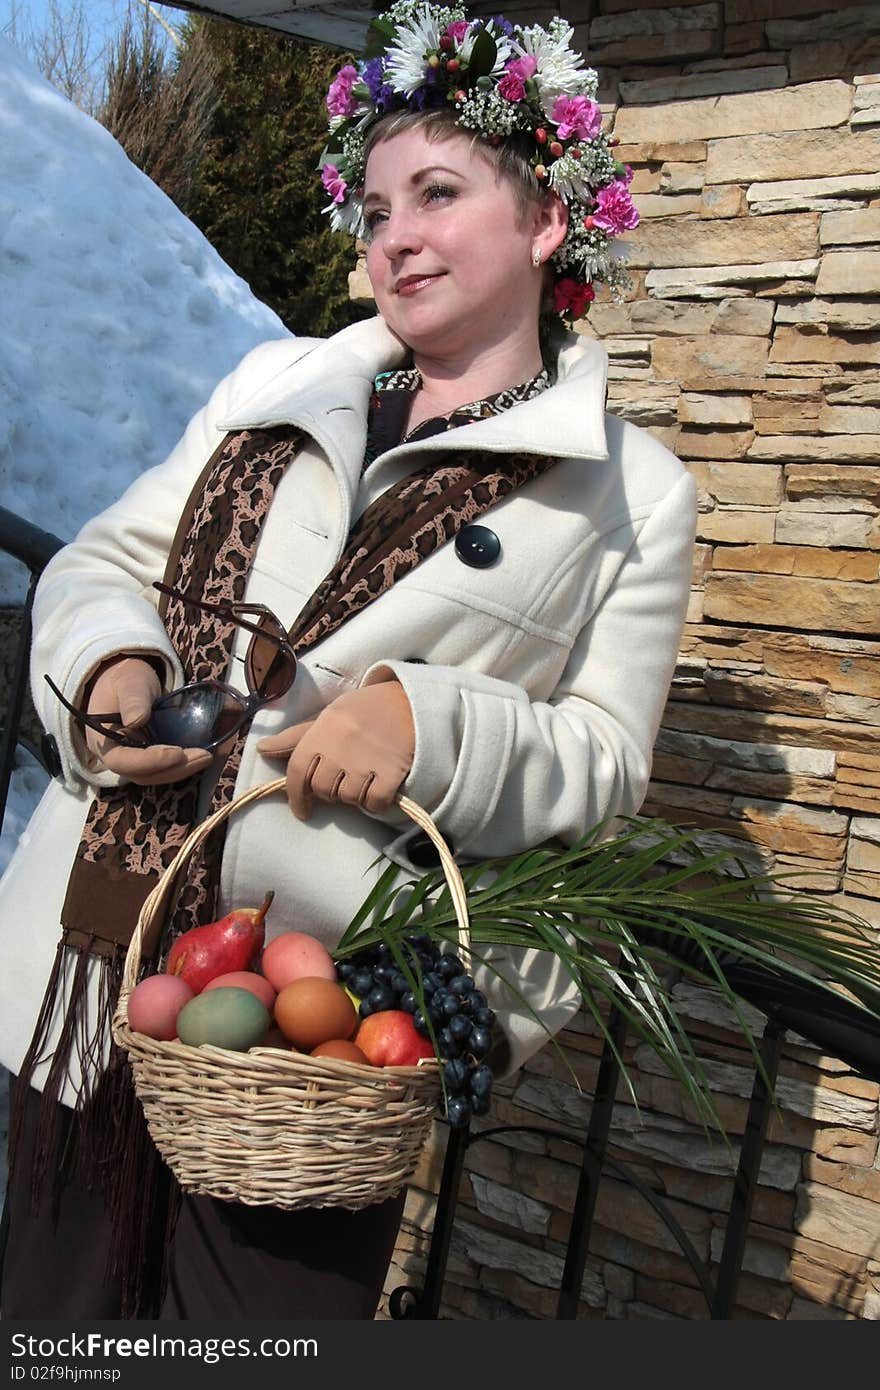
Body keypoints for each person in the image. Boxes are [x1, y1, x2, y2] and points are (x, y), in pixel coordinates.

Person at [0, 5, 697, 1321]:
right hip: (90, 961)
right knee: (49, 1322)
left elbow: (605, 760)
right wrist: (109, 677)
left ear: (547, 220)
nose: (398, 237)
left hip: (317, 1026)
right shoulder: (273, 383)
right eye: (377, 208)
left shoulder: (632, 493)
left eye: (439, 193)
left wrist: (424, 723)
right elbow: (102, 559)